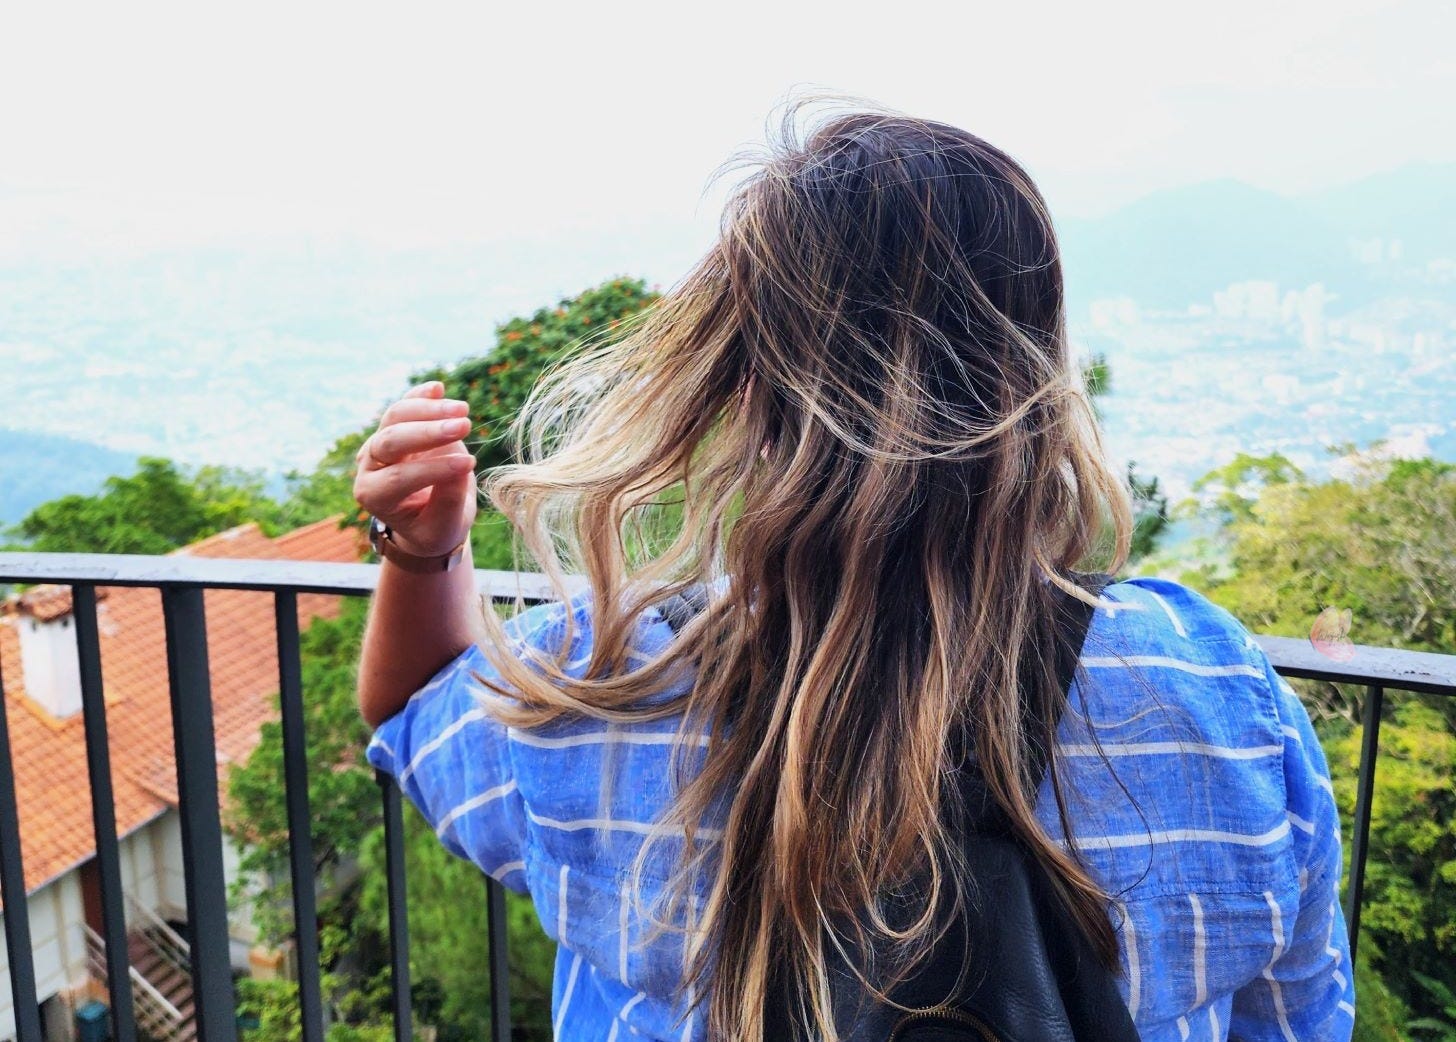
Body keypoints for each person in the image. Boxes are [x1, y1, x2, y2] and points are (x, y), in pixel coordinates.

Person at [354, 100, 1354, 1042]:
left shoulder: (614, 680)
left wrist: (425, 548)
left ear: (745, 383)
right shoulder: (1213, 689)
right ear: (1040, 366)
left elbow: (413, 714)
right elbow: (1298, 1015)